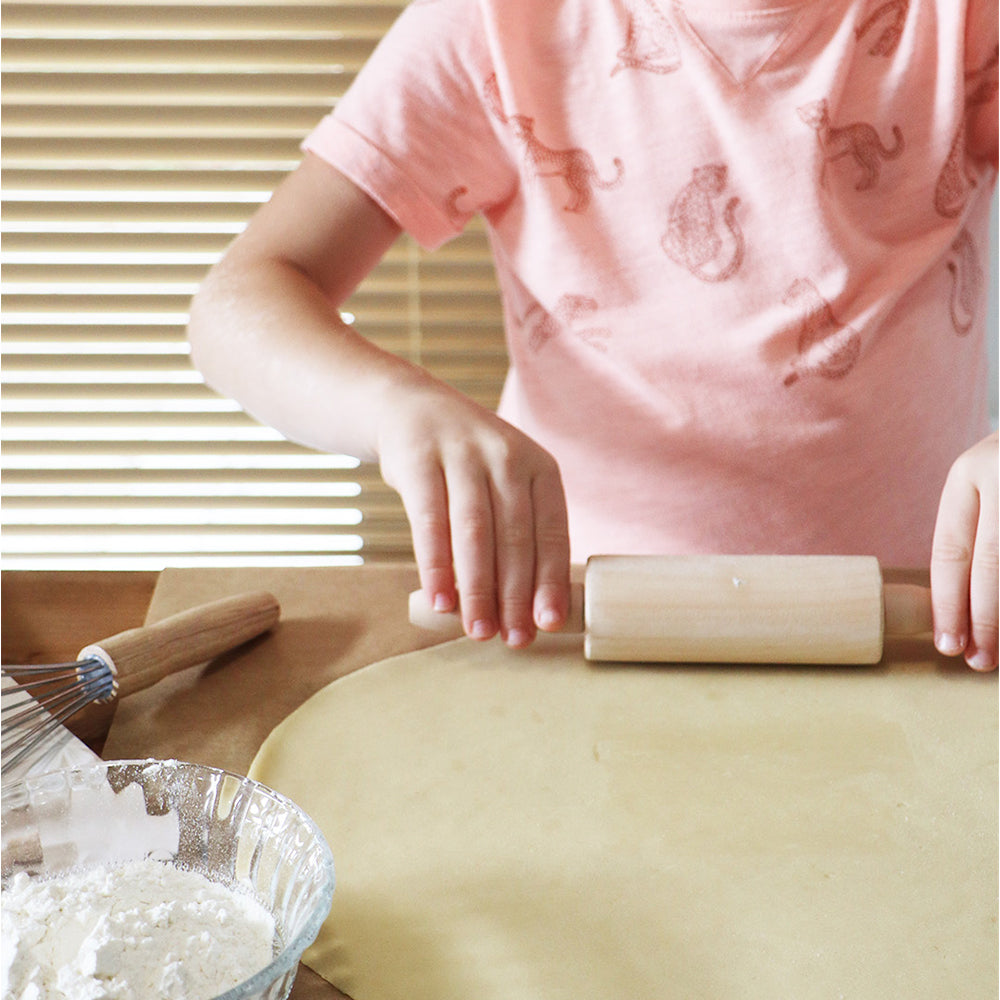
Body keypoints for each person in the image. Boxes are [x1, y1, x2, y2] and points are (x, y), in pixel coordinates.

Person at [187, 0, 998, 670]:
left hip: (918, 617)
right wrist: (394, 406)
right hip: (578, 620)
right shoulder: (500, 23)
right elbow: (239, 301)